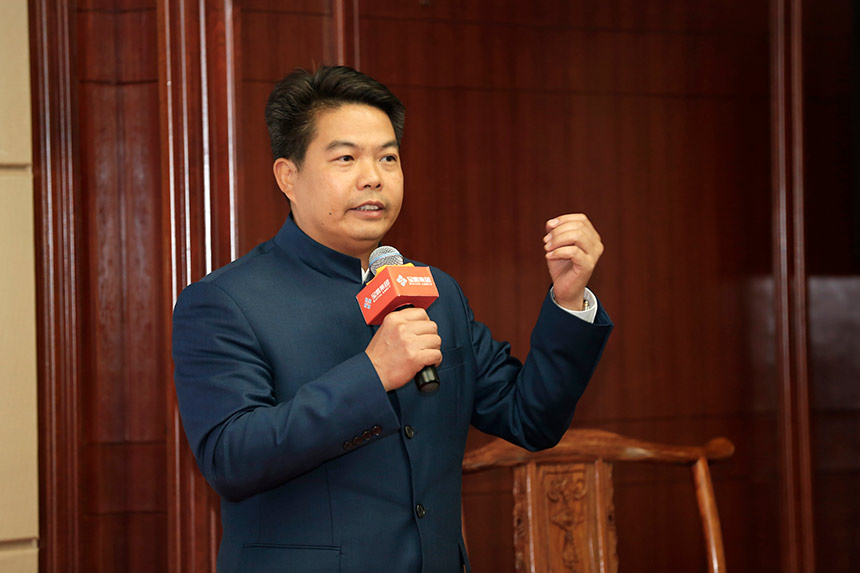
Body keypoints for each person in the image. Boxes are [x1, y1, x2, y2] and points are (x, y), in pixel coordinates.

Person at [172, 65, 613, 573]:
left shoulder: (437, 292)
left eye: (388, 157)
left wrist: (568, 300)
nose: (373, 177)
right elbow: (230, 459)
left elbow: (530, 419)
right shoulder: (224, 302)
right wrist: (373, 374)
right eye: (346, 158)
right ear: (288, 177)